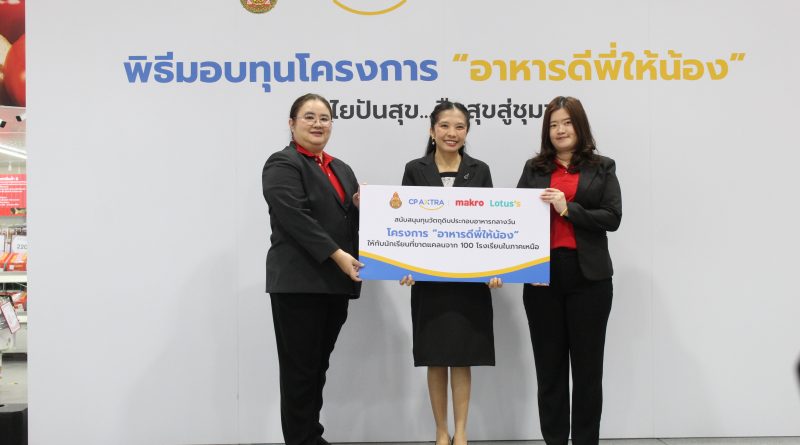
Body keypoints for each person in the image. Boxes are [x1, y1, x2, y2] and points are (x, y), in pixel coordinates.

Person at [516, 96, 622, 445]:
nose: (560, 130)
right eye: (553, 124)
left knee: (588, 372)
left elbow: (612, 217)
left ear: (579, 126)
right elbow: (515, 217)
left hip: (589, 279)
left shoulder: (602, 167)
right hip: (542, 277)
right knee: (549, 370)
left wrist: (568, 209)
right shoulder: (534, 168)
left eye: (567, 123)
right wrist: (517, 268)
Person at [261, 93, 363, 445]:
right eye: (309, 117)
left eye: (324, 118)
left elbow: (347, 222)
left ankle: (310, 436)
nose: (318, 124)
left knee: (317, 368)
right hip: (299, 284)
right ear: (292, 124)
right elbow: (296, 219)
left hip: (334, 284)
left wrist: (364, 208)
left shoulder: (341, 169)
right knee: (299, 373)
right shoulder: (282, 164)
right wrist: (337, 255)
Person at [400, 100, 502, 445]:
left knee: (462, 357)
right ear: (432, 130)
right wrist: (404, 265)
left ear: (467, 132)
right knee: (435, 357)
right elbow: (405, 223)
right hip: (429, 281)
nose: (451, 133)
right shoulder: (415, 169)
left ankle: (462, 432)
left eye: (459, 127)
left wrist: (495, 268)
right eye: (444, 125)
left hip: (469, 283)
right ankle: (441, 432)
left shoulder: (480, 170)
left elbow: (491, 224)